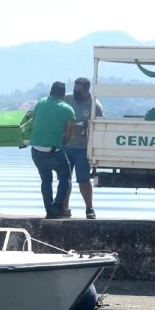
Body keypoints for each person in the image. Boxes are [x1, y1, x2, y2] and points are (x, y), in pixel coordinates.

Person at [29, 81, 76, 219]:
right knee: (65, 176)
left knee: (46, 180)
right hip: (52, 151)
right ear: (63, 94)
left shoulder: (40, 102)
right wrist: (59, 142)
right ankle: (58, 206)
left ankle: (49, 210)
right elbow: (67, 137)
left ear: (50, 92)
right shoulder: (67, 110)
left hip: (35, 150)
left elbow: (34, 123)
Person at [62, 76, 105, 218]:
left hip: (83, 148)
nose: (75, 92)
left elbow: (100, 127)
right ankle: (64, 208)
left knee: (83, 180)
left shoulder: (95, 105)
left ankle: (89, 208)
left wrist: (85, 127)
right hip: (67, 146)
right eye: (74, 89)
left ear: (87, 90)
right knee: (65, 179)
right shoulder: (67, 99)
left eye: (79, 90)